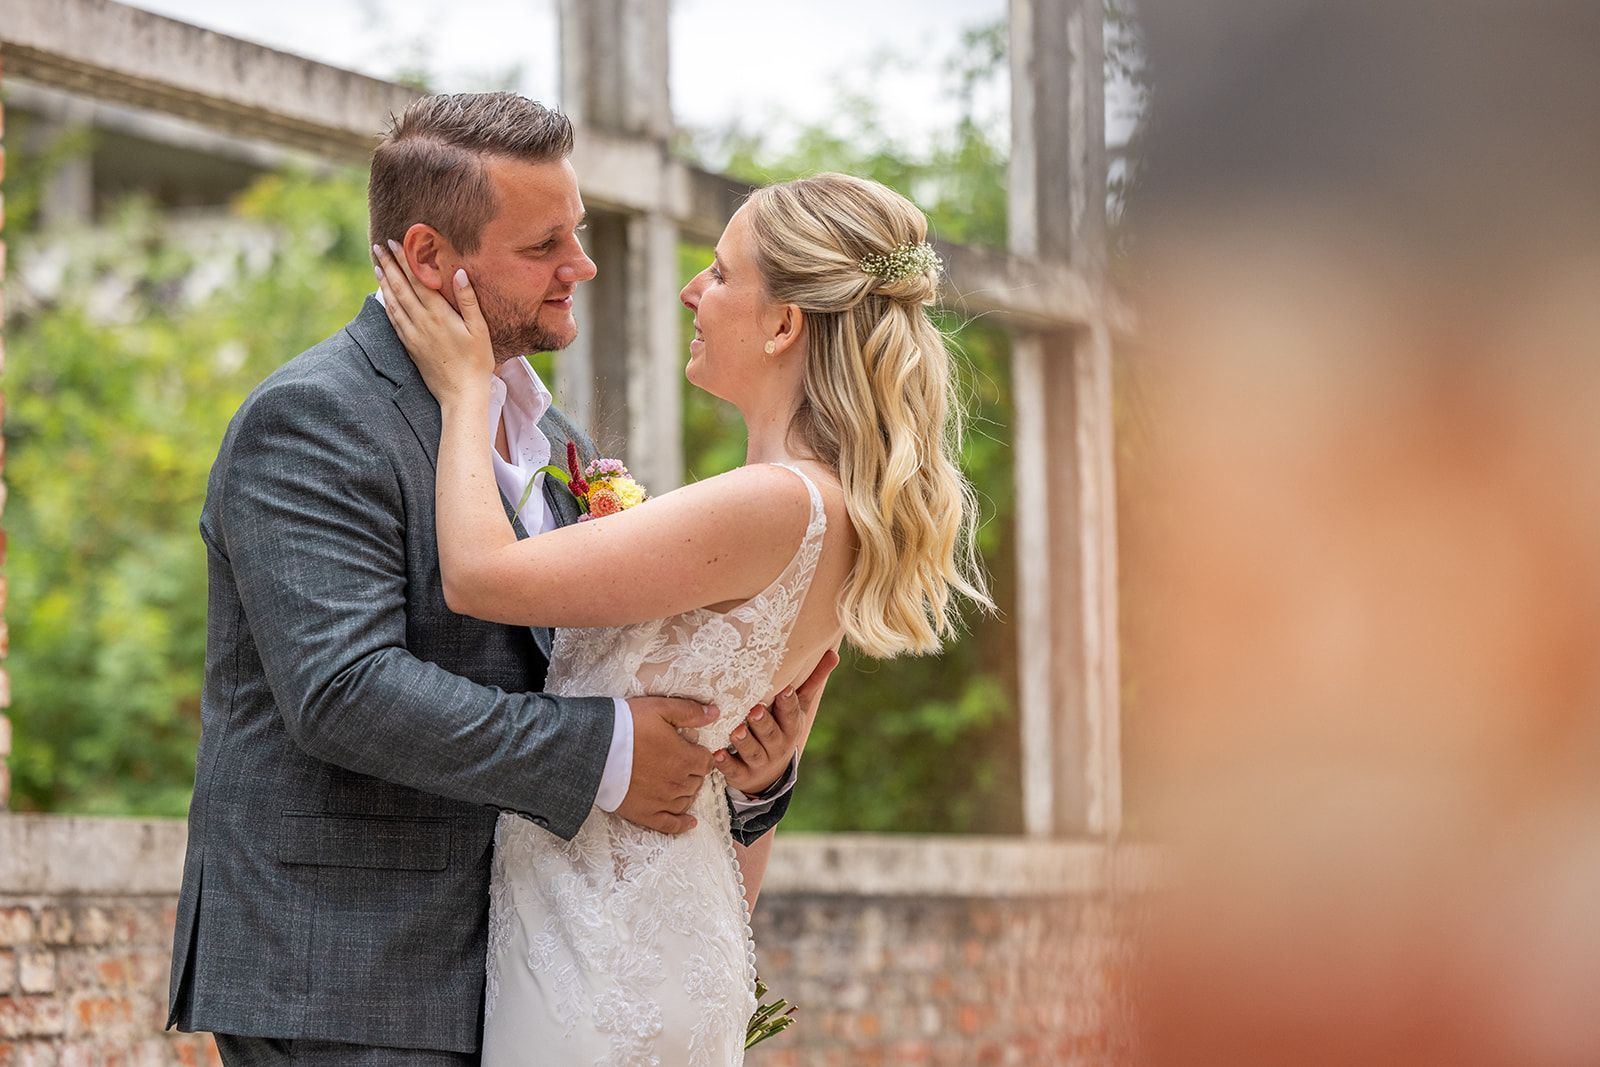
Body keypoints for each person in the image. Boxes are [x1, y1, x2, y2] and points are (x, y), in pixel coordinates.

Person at [166, 93, 824, 1067]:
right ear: (431, 258)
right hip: (349, 971)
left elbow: (585, 670)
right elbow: (342, 692)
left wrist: (754, 776)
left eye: (582, 233)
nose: (582, 267)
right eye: (544, 245)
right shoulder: (311, 418)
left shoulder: (562, 442)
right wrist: (605, 751)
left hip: (532, 976)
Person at [372, 167, 991, 1064]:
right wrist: (757, 784)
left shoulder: (771, 504)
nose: (694, 291)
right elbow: (734, 790)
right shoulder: (837, 515)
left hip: (602, 951)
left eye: (722, 272)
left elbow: (478, 574)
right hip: (669, 925)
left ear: (784, 324)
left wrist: (469, 392)